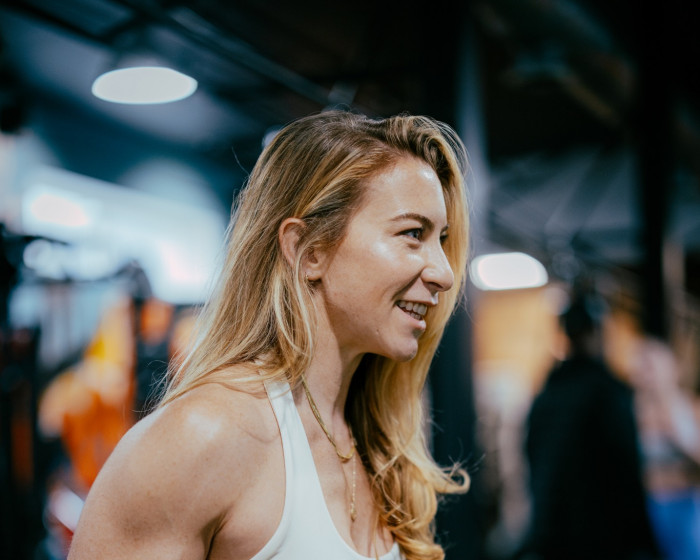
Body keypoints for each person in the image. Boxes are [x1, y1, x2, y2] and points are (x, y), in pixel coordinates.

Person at [67, 110, 471, 560]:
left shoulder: (379, 449)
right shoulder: (204, 436)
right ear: (309, 250)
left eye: (442, 239)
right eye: (413, 233)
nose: (444, 273)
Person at [516, 291, 660, 560]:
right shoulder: (609, 393)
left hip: (553, 539)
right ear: (597, 333)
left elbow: (532, 464)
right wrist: (644, 543)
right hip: (605, 540)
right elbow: (626, 471)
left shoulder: (546, 396)